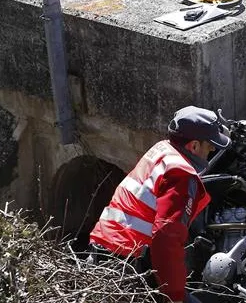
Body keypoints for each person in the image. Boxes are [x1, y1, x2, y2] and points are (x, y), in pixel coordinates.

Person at [88, 106, 230, 303]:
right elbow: (166, 238)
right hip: (126, 262)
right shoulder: (181, 174)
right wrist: (174, 296)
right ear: (194, 146)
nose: (213, 150)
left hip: (106, 248)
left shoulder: (163, 149)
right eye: (209, 145)